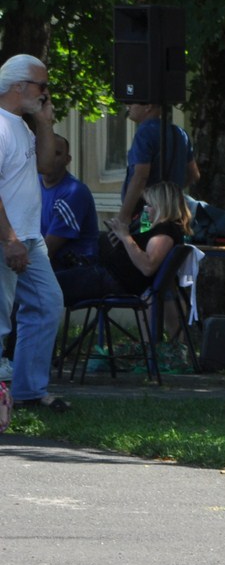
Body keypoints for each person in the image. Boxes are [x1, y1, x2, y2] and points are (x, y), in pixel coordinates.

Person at [0, 55, 67, 414]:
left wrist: (44, 123)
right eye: (42, 86)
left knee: (47, 303)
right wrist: (10, 239)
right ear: (18, 86)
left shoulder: (21, 126)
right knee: (0, 320)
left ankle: (27, 391)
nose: (45, 93)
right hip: (7, 239)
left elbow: (46, 165)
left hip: (29, 237)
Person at [56, 181, 193, 307]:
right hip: (107, 271)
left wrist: (125, 236)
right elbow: (140, 241)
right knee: (53, 277)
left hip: (114, 279)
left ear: (162, 207)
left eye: (150, 205)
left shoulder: (165, 231)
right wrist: (121, 238)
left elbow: (147, 267)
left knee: (50, 287)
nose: (145, 209)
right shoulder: (158, 227)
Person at [117, 101, 197, 230]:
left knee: (145, 239)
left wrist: (123, 217)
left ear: (148, 106)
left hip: (147, 212)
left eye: (133, 102)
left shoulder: (144, 133)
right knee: (169, 239)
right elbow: (194, 174)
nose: (128, 105)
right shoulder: (180, 133)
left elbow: (140, 177)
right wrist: (169, 194)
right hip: (174, 212)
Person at [40, 132, 99, 271]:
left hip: (74, 269)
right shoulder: (31, 183)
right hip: (47, 264)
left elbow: (47, 250)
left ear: (67, 160)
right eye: (46, 152)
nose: (50, 158)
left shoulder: (74, 192)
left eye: (57, 153)